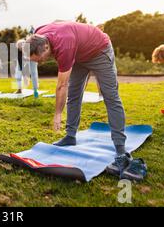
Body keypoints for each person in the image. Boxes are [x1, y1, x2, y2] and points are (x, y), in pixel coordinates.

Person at [25, 21, 145, 180]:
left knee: (111, 97)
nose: (40, 63)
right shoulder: (39, 33)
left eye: (40, 60)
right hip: (79, 54)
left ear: (46, 47)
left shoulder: (64, 45)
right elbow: (61, 24)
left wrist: (57, 114)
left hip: (99, 50)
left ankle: (120, 149)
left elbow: (62, 85)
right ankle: (70, 136)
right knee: (74, 94)